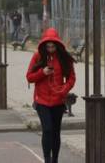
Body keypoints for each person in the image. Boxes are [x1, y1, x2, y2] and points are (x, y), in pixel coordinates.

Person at [26, 28, 76, 163]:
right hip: (42, 101)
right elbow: (29, 77)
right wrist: (42, 72)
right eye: (48, 46)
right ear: (44, 45)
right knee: (47, 129)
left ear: (57, 45)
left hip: (58, 101)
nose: (50, 48)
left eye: (53, 46)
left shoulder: (64, 57)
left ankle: (55, 160)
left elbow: (71, 78)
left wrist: (64, 90)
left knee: (55, 132)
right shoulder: (38, 56)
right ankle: (47, 159)